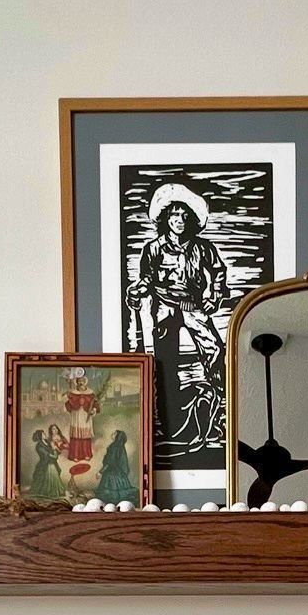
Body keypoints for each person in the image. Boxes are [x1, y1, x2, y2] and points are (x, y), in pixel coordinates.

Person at [126, 183, 229, 459]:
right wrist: (138, 290)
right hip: (165, 307)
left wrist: (214, 295)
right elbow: (146, 279)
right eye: (174, 216)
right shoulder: (153, 249)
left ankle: (221, 413)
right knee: (164, 360)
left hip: (193, 305)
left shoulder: (203, 248)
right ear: (165, 220)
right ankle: (169, 421)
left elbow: (218, 272)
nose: (179, 221)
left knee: (215, 351)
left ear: (191, 220)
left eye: (184, 216)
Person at [95, 428, 135, 505]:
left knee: (109, 496)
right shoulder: (120, 446)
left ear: (117, 436)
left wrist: (100, 472)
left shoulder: (114, 447)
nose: (112, 434)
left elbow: (109, 462)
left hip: (111, 474)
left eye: (114, 433)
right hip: (120, 474)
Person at [26, 426, 65, 501]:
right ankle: (47, 492)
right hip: (45, 463)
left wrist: (55, 451)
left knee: (55, 477)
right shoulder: (39, 446)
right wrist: (54, 454)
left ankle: (56, 491)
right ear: (40, 436)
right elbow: (46, 455)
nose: (45, 434)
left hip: (52, 462)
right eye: (43, 434)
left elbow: (55, 450)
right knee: (45, 479)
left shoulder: (48, 442)